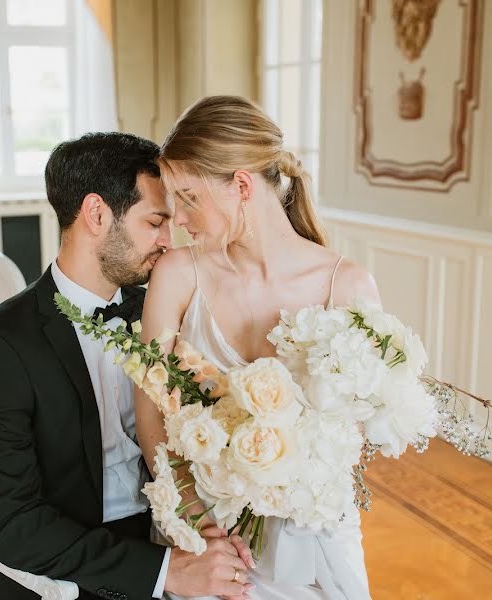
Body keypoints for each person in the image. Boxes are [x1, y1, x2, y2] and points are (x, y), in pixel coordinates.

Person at [0, 132, 254, 600]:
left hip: (168, 527)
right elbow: (13, 525)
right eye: (155, 221)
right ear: (97, 215)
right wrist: (165, 572)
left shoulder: (163, 311)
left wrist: (203, 524)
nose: (168, 240)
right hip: (65, 565)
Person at [136, 96, 380, 599]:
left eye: (188, 198)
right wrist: (198, 521)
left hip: (311, 537)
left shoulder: (346, 287)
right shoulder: (179, 275)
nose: (178, 220)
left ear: (242, 185)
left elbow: (351, 437)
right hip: (204, 538)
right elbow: (151, 415)